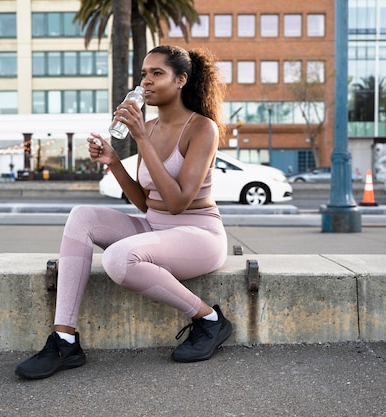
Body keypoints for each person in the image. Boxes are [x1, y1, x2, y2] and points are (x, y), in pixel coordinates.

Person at [15, 45, 232, 380]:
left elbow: (178, 203)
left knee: (118, 259)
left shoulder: (202, 128)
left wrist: (141, 138)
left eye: (157, 73)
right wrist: (114, 162)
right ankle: (64, 340)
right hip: (155, 228)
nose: (146, 81)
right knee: (82, 216)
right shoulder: (153, 127)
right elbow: (148, 204)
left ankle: (209, 320)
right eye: (144, 73)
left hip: (199, 236)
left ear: (181, 80)